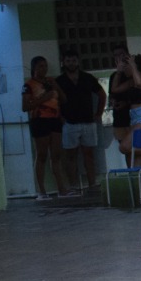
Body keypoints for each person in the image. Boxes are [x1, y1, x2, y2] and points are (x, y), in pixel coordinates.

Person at [53, 47, 106, 196]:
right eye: (68, 61)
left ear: (78, 62)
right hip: (69, 122)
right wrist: (60, 117)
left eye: (74, 60)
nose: (71, 63)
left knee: (89, 155)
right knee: (70, 156)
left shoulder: (87, 78)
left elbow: (102, 94)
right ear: (63, 62)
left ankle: (92, 184)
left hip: (88, 121)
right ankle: (74, 186)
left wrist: (99, 113)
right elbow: (54, 100)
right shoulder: (59, 81)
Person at [21, 55, 65, 199]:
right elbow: (25, 107)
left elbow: (64, 99)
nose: (44, 69)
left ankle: (62, 189)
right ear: (34, 68)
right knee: (42, 155)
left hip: (55, 120)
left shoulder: (50, 82)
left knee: (56, 155)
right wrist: (44, 98)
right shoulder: (28, 85)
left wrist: (56, 87)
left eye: (45, 66)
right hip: (39, 120)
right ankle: (42, 190)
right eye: (40, 66)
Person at [108, 46, 141, 167]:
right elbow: (115, 89)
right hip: (135, 118)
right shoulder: (130, 82)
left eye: (127, 66)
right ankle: (139, 176)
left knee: (124, 147)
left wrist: (133, 65)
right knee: (137, 158)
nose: (125, 69)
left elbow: (140, 83)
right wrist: (118, 72)